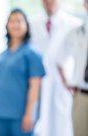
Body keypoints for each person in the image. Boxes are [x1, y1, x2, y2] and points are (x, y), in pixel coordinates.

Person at [30, 0, 81, 136]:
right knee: (40, 126)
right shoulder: (32, 23)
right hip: (38, 84)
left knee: (63, 127)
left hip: (64, 84)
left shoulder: (74, 24)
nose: (49, 2)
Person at [0, 8, 45, 136]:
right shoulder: (2, 55)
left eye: (19, 21)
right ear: (7, 25)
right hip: (2, 115)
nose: (15, 24)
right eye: (12, 21)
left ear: (26, 26)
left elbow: (35, 87)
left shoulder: (32, 54)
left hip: (21, 116)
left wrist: (29, 114)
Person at [57, 1, 88, 136]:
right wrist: (66, 81)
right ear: (85, 5)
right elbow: (59, 59)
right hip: (82, 96)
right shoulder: (76, 33)